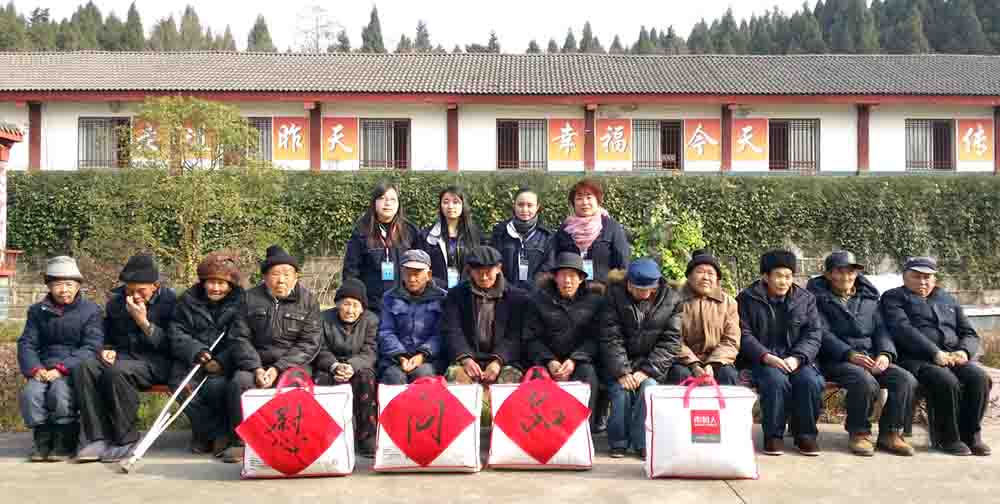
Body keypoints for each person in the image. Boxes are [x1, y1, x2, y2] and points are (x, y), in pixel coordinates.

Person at [808, 251, 918, 457]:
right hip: (835, 359)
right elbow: (821, 333)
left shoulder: (869, 297)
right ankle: (859, 433)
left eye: (851, 272)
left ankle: (890, 433)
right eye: (840, 272)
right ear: (829, 274)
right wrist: (849, 354)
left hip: (869, 357)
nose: (846, 277)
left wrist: (885, 354)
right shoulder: (815, 299)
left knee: (905, 380)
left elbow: (881, 329)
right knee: (864, 381)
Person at [881, 257, 992, 456]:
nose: (922, 282)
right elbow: (902, 329)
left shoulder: (947, 298)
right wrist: (934, 352)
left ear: (935, 279)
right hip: (914, 358)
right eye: (916, 276)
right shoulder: (893, 298)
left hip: (951, 356)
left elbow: (969, 332)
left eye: (927, 277)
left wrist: (964, 351)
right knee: (945, 380)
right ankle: (947, 438)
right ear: (905, 277)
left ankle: (971, 436)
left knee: (979, 378)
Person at [73, 254, 178, 463]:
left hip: (158, 362)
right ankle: (98, 437)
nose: (135, 296)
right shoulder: (117, 302)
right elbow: (107, 334)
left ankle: (126, 439)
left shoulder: (172, 303)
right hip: (124, 357)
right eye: (130, 290)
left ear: (155, 286)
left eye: (141, 290)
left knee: (117, 372)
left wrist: (143, 322)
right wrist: (107, 348)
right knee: (84, 367)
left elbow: (173, 345)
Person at [223, 245, 321, 463]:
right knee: (240, 382)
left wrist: (278, 368)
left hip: (292, 364)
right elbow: (239, 338)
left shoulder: (308, 301)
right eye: (275, 274)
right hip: (256, 362)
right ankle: (241, 441)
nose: (281, 280)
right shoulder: (249, 299)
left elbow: (309, 343)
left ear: (296, 277)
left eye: (287, 274)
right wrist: (256, 368)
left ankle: (292, 441)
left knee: (296, 384)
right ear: (265, 277)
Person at [737, 250, 824, 456]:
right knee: (775, 381)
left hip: (797, 359)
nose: (783, 281)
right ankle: (773, 435)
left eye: (788, 276)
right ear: (765, 276)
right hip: (762, 359)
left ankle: (805, 435)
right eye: (778, 276)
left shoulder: (806, 299)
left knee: (810, 381)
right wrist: (766, 356)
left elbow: (813, 334)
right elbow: (744, 334)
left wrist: (798, 358)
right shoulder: (747, 299)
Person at [17, 256, 103, 462]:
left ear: (78, 286)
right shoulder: (37, 311)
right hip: (43, 367)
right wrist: (35, 369)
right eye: (57, 285)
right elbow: (27, 343)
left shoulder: (91, 310)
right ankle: (42, 440)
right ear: (49, 286)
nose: (63, 290)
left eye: (69, 284)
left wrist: (62, 368)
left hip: (72, 368)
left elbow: (92, 346)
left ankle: (65, 441)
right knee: (31, 394)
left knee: (60, 393)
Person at [600, 258, 682, 459]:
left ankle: (643, 441)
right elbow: (610, 337)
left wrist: (646, 371)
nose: (645, 294)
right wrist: (622, 371)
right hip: (619, 362)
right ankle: (618, 441)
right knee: (621, 390)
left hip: (651, 363)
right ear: (628, 284)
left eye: (649, 289)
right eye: (639, 289)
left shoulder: (672, 299)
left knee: (649, 388)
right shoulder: (613, 296)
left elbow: (671, 341)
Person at [167, 253, 245, 458]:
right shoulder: (187, 301)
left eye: (221, 283)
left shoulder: (243, 303)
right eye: (211, 282)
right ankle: (208, 433)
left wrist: (221, 361)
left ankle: (219, 434)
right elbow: (176, 331)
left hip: (226, 363)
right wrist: (196, 351)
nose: (216, 288)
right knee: (182, 386)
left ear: (231, 285)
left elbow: (242, 338)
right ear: (203, 282)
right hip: (193, 359)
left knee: (216, 386)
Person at [523, 252, 605, 419]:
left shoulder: (595, 302)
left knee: (588, 375)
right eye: (563, 275)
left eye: (572, 276)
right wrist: (549, 360)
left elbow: (596, 338)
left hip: (580, 360)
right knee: (537, 377)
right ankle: (541, 429)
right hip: (546, 359)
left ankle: (584, 427)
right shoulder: (537, 300)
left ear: (581, 279)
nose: (567, 281)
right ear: (555, 277)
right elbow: (531, 338)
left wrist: (575, 359)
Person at [443, 245, 529, 386]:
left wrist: (498, 361)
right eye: (478, 272)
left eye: (488, 272)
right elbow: (452, 330)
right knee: (458, 381)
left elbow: (515, 335)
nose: (483, 277)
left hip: (504, 361)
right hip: (468, 357)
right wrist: (465, 359)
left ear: (499, 268)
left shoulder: (517, 297)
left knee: (508, 384)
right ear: (470, 271)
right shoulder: (456, 295)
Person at [313, 278, 379, 457]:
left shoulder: (371, 320)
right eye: (346, 304)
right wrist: (334, 366)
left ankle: (366, 436)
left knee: (366, 379)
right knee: (321, 381)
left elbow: (370, 351)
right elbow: (319, 349)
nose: (350, 310)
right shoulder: (323, 319)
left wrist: (351, 366)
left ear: (362, 308)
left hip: (358, 366)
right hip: (330, 366)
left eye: (355, 305)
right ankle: (325, 437)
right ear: (337, 304)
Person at [342, 181, 420, 314]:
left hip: (405, 306)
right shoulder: (362, 231)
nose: (387, 203)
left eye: (392, 199)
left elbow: (420, 268)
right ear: (374, 202)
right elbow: (351, 270)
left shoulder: (410, 231)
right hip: (372, 308)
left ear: (398, 204)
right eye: (382, 198)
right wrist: (356, 302)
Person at [670, 250, 742, 386]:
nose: (705, 277)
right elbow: (672, 338)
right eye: (700, 272)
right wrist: (694, 365)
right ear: (689, 276)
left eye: (710, 273)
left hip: (718, 361)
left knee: (728, 375)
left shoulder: (729, 303)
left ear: (717, 279)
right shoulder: (675, 301)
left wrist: (711, 364)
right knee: (679, 374)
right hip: (684, 362)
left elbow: (731, 340)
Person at [377, 249, 448, 384]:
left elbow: (440, 334)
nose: (411, 279)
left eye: (417, 274)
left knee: (423, 375)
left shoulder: (442, 298)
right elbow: (386, 331)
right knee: (394, 377)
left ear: (429, 275)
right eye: (407, 273)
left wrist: (422, 355)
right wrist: (400, 356)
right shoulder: (389, 298)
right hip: (395, 359)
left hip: (430, 359)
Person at [546, 178, 630, 286]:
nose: (584, 202)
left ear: (598, 201)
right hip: (572, 290)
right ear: (573, 203)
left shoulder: (611, 227)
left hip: (604, 291)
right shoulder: (565, 229)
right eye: (579, 198)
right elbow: (553, 261)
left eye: (589, 197)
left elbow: (622, 263)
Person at [489, 188, 553, 291]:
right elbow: (494, 264)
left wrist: (531, 289)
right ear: (514, 206)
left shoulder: (546, 236)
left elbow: (548, 268)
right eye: (520, 205)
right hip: (504, 293)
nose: (524, 209)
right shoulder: (500, 233)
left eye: (529, 205)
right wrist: (507, 289)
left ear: (537, 207)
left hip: (535, 295)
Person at [421, 186, 482, 290]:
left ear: (463, 205)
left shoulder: (475, 235)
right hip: (437, 292)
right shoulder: (427, 236)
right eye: (445, 202)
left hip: (468, 291)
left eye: (455, 202)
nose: (450, 206)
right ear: (440, 206)